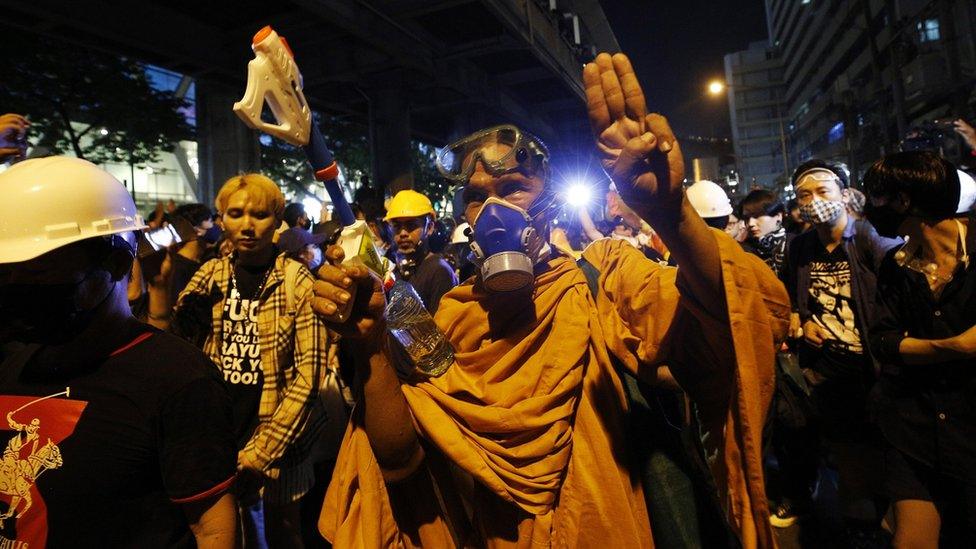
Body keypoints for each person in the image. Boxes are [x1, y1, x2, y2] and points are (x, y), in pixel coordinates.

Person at [313, 53, 789, 548]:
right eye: (477, 198)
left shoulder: (604, 274)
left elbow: (743, 313)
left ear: (549, 202)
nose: (493, 210)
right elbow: (401, 462)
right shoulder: (452, 314)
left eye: (514, 188)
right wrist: (368, 346)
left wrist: (671, 213)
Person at [0, 157, 237, 547]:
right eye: (8, 272)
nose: (18, 286)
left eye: (39, 271)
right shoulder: (15, 365)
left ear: (114, 263)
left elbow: (212, 528)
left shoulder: (177, 378)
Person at [172, 173, 334, 548]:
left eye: (259, 214)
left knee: (285, 531)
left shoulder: (296, 280)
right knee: (228, 531)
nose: (247, 225)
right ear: (222, 217)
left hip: (282, 434)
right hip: (221, 430)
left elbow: (309, 375)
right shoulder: (210, 274)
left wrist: (261, 455)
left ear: (277, 220)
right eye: (236, 213)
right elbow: (176, 348)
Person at [778, 160, 901, 534]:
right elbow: (788, 305)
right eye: (804, 195)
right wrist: (800, 325)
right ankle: (861, 526)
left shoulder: (869, 239)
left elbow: (899, 290)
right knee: (850, 461)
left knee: (883, 458)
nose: (814, 201)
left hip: (873, 372)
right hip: (827, 373)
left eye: (822, 191)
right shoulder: (800, 248)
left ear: (843, 193)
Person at [863, 151, 976, 547]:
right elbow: (883, 341)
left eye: (876, 197)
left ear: (903, 201)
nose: (869, 208)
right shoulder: (897, 263)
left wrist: (917, 347)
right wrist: (953, 347)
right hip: (914, 428)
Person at [385, 189, 458, 314]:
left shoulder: (439, 271)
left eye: (411, 226)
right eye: (397, 226)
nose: (403, 233)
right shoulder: (396, 270)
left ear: (429, 228)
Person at [741, 189, 790, 277]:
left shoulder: (795, 245)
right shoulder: (744, 250)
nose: (751, 223)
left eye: (757, 216)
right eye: (747, 218)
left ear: (778, 216)